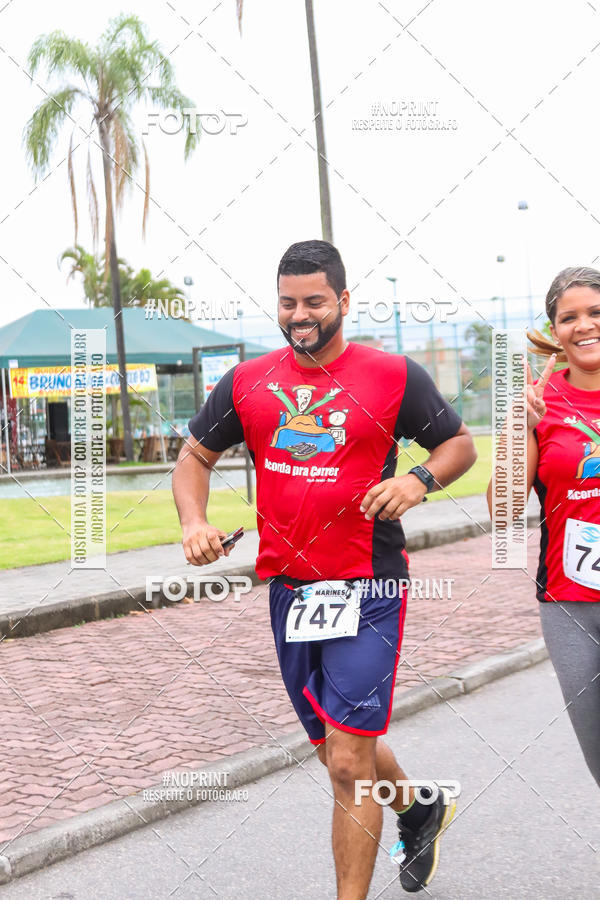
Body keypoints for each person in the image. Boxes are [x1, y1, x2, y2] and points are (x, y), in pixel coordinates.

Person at [173, 240, 477, 898]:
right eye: (288, 303)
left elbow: (458, 443)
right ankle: (418, 806)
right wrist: (194, 522)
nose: (300, 315)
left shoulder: (393, 376)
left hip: (369, 585)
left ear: (343, 300)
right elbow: (194, 456)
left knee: (346, 761)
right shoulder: (248, 381)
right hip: (289, 592)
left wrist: (418, 480)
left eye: (314, 301)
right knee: (334, 747)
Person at [487, 265, 600, 788]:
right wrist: (519, 427)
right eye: (569, 317)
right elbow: (504, 512)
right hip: (570, 605)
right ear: (555, 330)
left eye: (595, 312)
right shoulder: (537, 404)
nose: (584, 325)